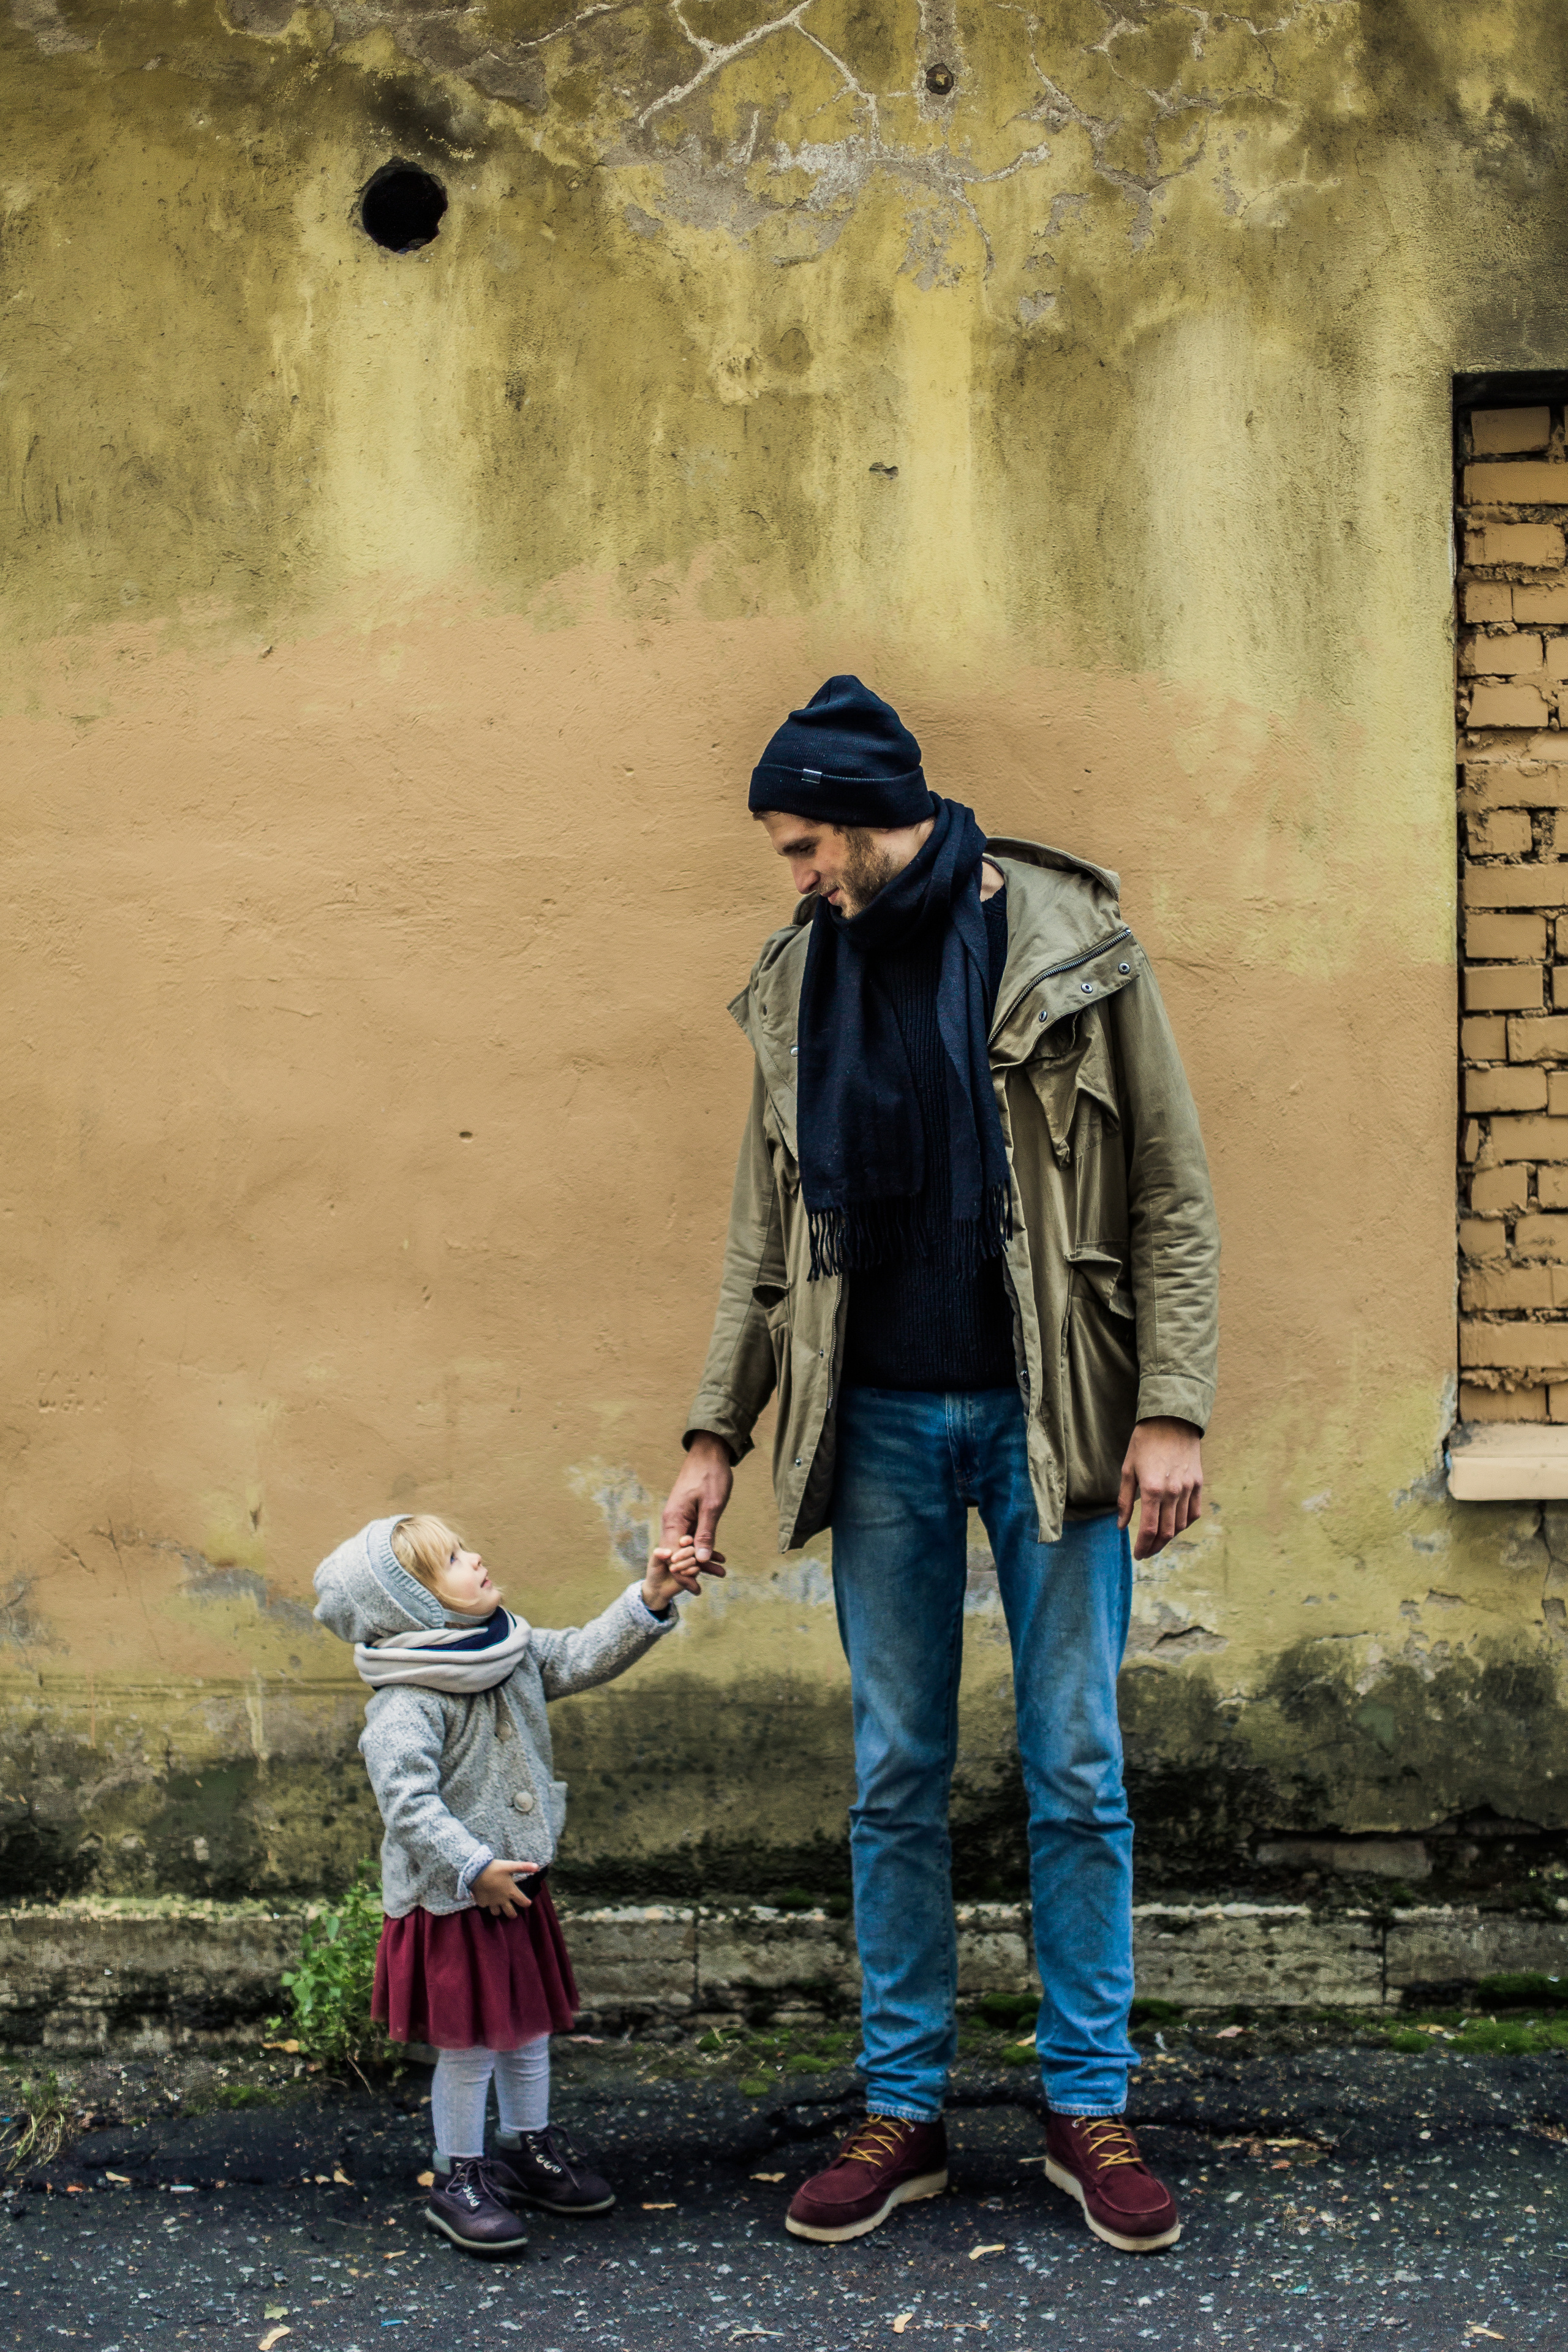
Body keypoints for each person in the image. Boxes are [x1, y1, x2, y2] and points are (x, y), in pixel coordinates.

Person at [661, 677, 1219, 2255]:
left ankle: (1083, 2101)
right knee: (893, 1774)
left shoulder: (1067, 940)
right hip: (885, 1419)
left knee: (1077, 1769)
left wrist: (1165, 1405)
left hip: (1058, 1417)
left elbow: (1168, 1183)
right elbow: (762, 1237)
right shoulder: (796, 982)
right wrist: (715, 1437)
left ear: (860, 812)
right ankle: (901, 2105)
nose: (792, 876)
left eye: (798, 844)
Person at [312, 1511, 723, 2256]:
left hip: (519, 1890)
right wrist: (472, 1867)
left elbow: (583, 1655)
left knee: (528, 2032)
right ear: (413, 1606)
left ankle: (525, 2145)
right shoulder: (407, 1703)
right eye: (451, 1561)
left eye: (467, 1545)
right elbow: (408, 1804)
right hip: (455, 1900)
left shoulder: (509, 1651)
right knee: (468, 2047)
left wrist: (652, 1598)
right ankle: (457, 2176)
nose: (477, 1559)